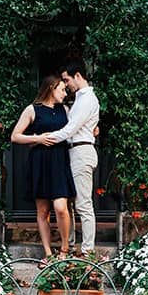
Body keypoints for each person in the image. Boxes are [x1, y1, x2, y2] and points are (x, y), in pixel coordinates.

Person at [10, 75, 75, 257]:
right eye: (61, 89)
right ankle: (48, 252)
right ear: (51, 89)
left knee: (61, 207)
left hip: (60, 160)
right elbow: (15, 136)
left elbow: (76, 129)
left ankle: (64, 249)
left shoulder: (65, 110)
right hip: (40, 161)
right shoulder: (32, 109)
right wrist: (37, 138)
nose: (64, 93)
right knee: (43, 211)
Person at [39, 60, 99, 254]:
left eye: (67, 80)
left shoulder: (88, 99)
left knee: (83, 204)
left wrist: (45, 138)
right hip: (72, 152)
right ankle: (71, 246)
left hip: (81, 152)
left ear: (78, 76)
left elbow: (71, 129)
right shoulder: (80, 99)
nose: (66, 84)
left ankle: (88, 251)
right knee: (69, 203)